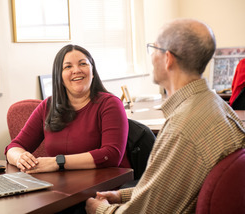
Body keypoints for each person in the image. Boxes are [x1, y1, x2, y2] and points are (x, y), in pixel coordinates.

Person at [86, 18, 245, 213]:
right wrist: (121, 195)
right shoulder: (216, 105)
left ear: (168, 58)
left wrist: (99, 210)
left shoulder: (181, 129)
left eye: (154, 48)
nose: (151, 55)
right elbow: (169, 188)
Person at [5, 44, 130, 173]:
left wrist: (57, 162)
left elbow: (111, 155)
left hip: (106, 185)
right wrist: (20, 157)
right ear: (60, 77)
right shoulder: (48, 106)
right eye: (68, 66)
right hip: (62, 184)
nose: (76, 70)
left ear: (92, 72)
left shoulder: (110, 104)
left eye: (83, 64)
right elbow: (14, 146)